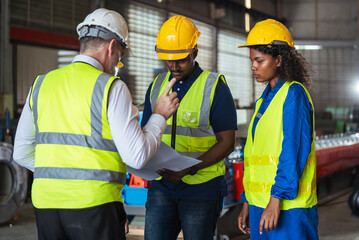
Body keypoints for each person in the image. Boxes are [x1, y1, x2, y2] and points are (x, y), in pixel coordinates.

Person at [13, 8, 179, 240]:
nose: (117, 64)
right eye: (119, 57)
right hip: (94, 204)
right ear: (112, 47)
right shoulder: (111, 87)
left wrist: (59, 177)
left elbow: (20, 153)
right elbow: (137, 156)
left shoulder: (41, 84)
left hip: (46, 203)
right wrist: (159, 116)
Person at [141, 15, 237, 240]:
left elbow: (227, 142)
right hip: (161, 186)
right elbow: (146, 131)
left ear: (194, 51)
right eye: (168, 60)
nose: (173, 66)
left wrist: (190, 168)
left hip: (201, 188)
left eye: (181, 60)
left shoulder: (215, 88)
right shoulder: (156, 86)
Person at [237, 19, 318, 239]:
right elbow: (255, 156)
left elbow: (292, 150)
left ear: (279, 60)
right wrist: (247, 200)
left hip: (287, 207)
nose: (253, 66)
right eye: (252, 61)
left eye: (259, 60)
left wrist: (276, 199)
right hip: (260, 204)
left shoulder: (294, 94)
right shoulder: (264, 100)